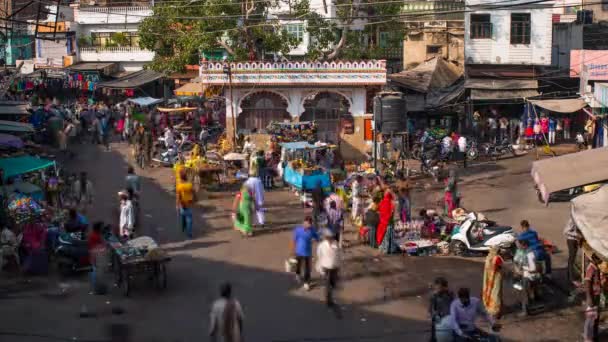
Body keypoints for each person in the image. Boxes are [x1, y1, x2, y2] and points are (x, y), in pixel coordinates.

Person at [292, 216, 320, 291]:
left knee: (307, 269)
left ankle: (306, 283)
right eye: (305, 223)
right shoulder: (298, 230)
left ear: (311, 224)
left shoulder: (312, 230)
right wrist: (293, 250)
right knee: (298, 265)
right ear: (303, 222)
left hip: (308, 253)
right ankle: (297, 274)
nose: (306, 225)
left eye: (308, 224)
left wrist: (316, 239)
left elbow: (317, 238)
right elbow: (294, 240)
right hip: (299, 252)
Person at [316, 229, 341, 309]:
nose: (330, 239)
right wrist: (320, 266)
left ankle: (330, 294)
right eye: (328, 238)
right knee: (327, 284)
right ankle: (328, 300)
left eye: (331, 238)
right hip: (326, 267)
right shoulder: (322, 246)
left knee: (333, 283)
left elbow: (338, 255)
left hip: (334, 267)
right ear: (326, 238)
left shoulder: (335, 244)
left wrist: (339, 266)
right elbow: (319, 255)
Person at [583, 254, 602, 342]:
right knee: (590, 319)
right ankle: (588, 338)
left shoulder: (596, 267)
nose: (601, 260)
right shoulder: (591, 268)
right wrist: (590, 298)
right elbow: (587, 283)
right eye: (599, 259)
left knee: (595, 317)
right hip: (592, 297)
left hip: (596, 295)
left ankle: (594, 335)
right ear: (594, 259)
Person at [482, 246, 504, 319]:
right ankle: (495, 312)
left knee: (489, 293)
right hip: (496, 278)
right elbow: (500, 267)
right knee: (496, 294)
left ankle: (489, 309)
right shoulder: (497, 258)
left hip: (488, 279)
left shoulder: (488, 258)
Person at [429, 277, 454, 342]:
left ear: (444, 287)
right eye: (436, 287)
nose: (437, 289)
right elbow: (431, 309)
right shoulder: (434, 296)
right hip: (438, 321)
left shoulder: (450, 295)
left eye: (439, 287)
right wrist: (435, 315)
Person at [175, 169, 195, 239]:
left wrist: (177, 205)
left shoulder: (179, 186)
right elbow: (193, 192)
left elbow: (178, 197)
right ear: (186, 177)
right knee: (189, 219)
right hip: (188, 203)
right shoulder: (189, 185)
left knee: (184, 215)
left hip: (182, 204)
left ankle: (183, 227)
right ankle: (189, 233)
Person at [564, 218, 581, 287]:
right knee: (571, 260)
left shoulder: (577, 219)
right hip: (571, 241)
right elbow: (565, 231)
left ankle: (569, 276)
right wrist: (576, 234)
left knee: (571, 259)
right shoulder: (572, 220)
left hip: (575, 240)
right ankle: (572, 279)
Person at [88, 222, 105, 293]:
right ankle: (97, 289)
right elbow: (99, 246)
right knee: (97, 272)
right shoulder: (96, 236)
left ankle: (96, 288)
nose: (102, 229)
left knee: (95, 270)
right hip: (96, 254)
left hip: (93, 254)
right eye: (101, 227)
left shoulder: (93, 235)